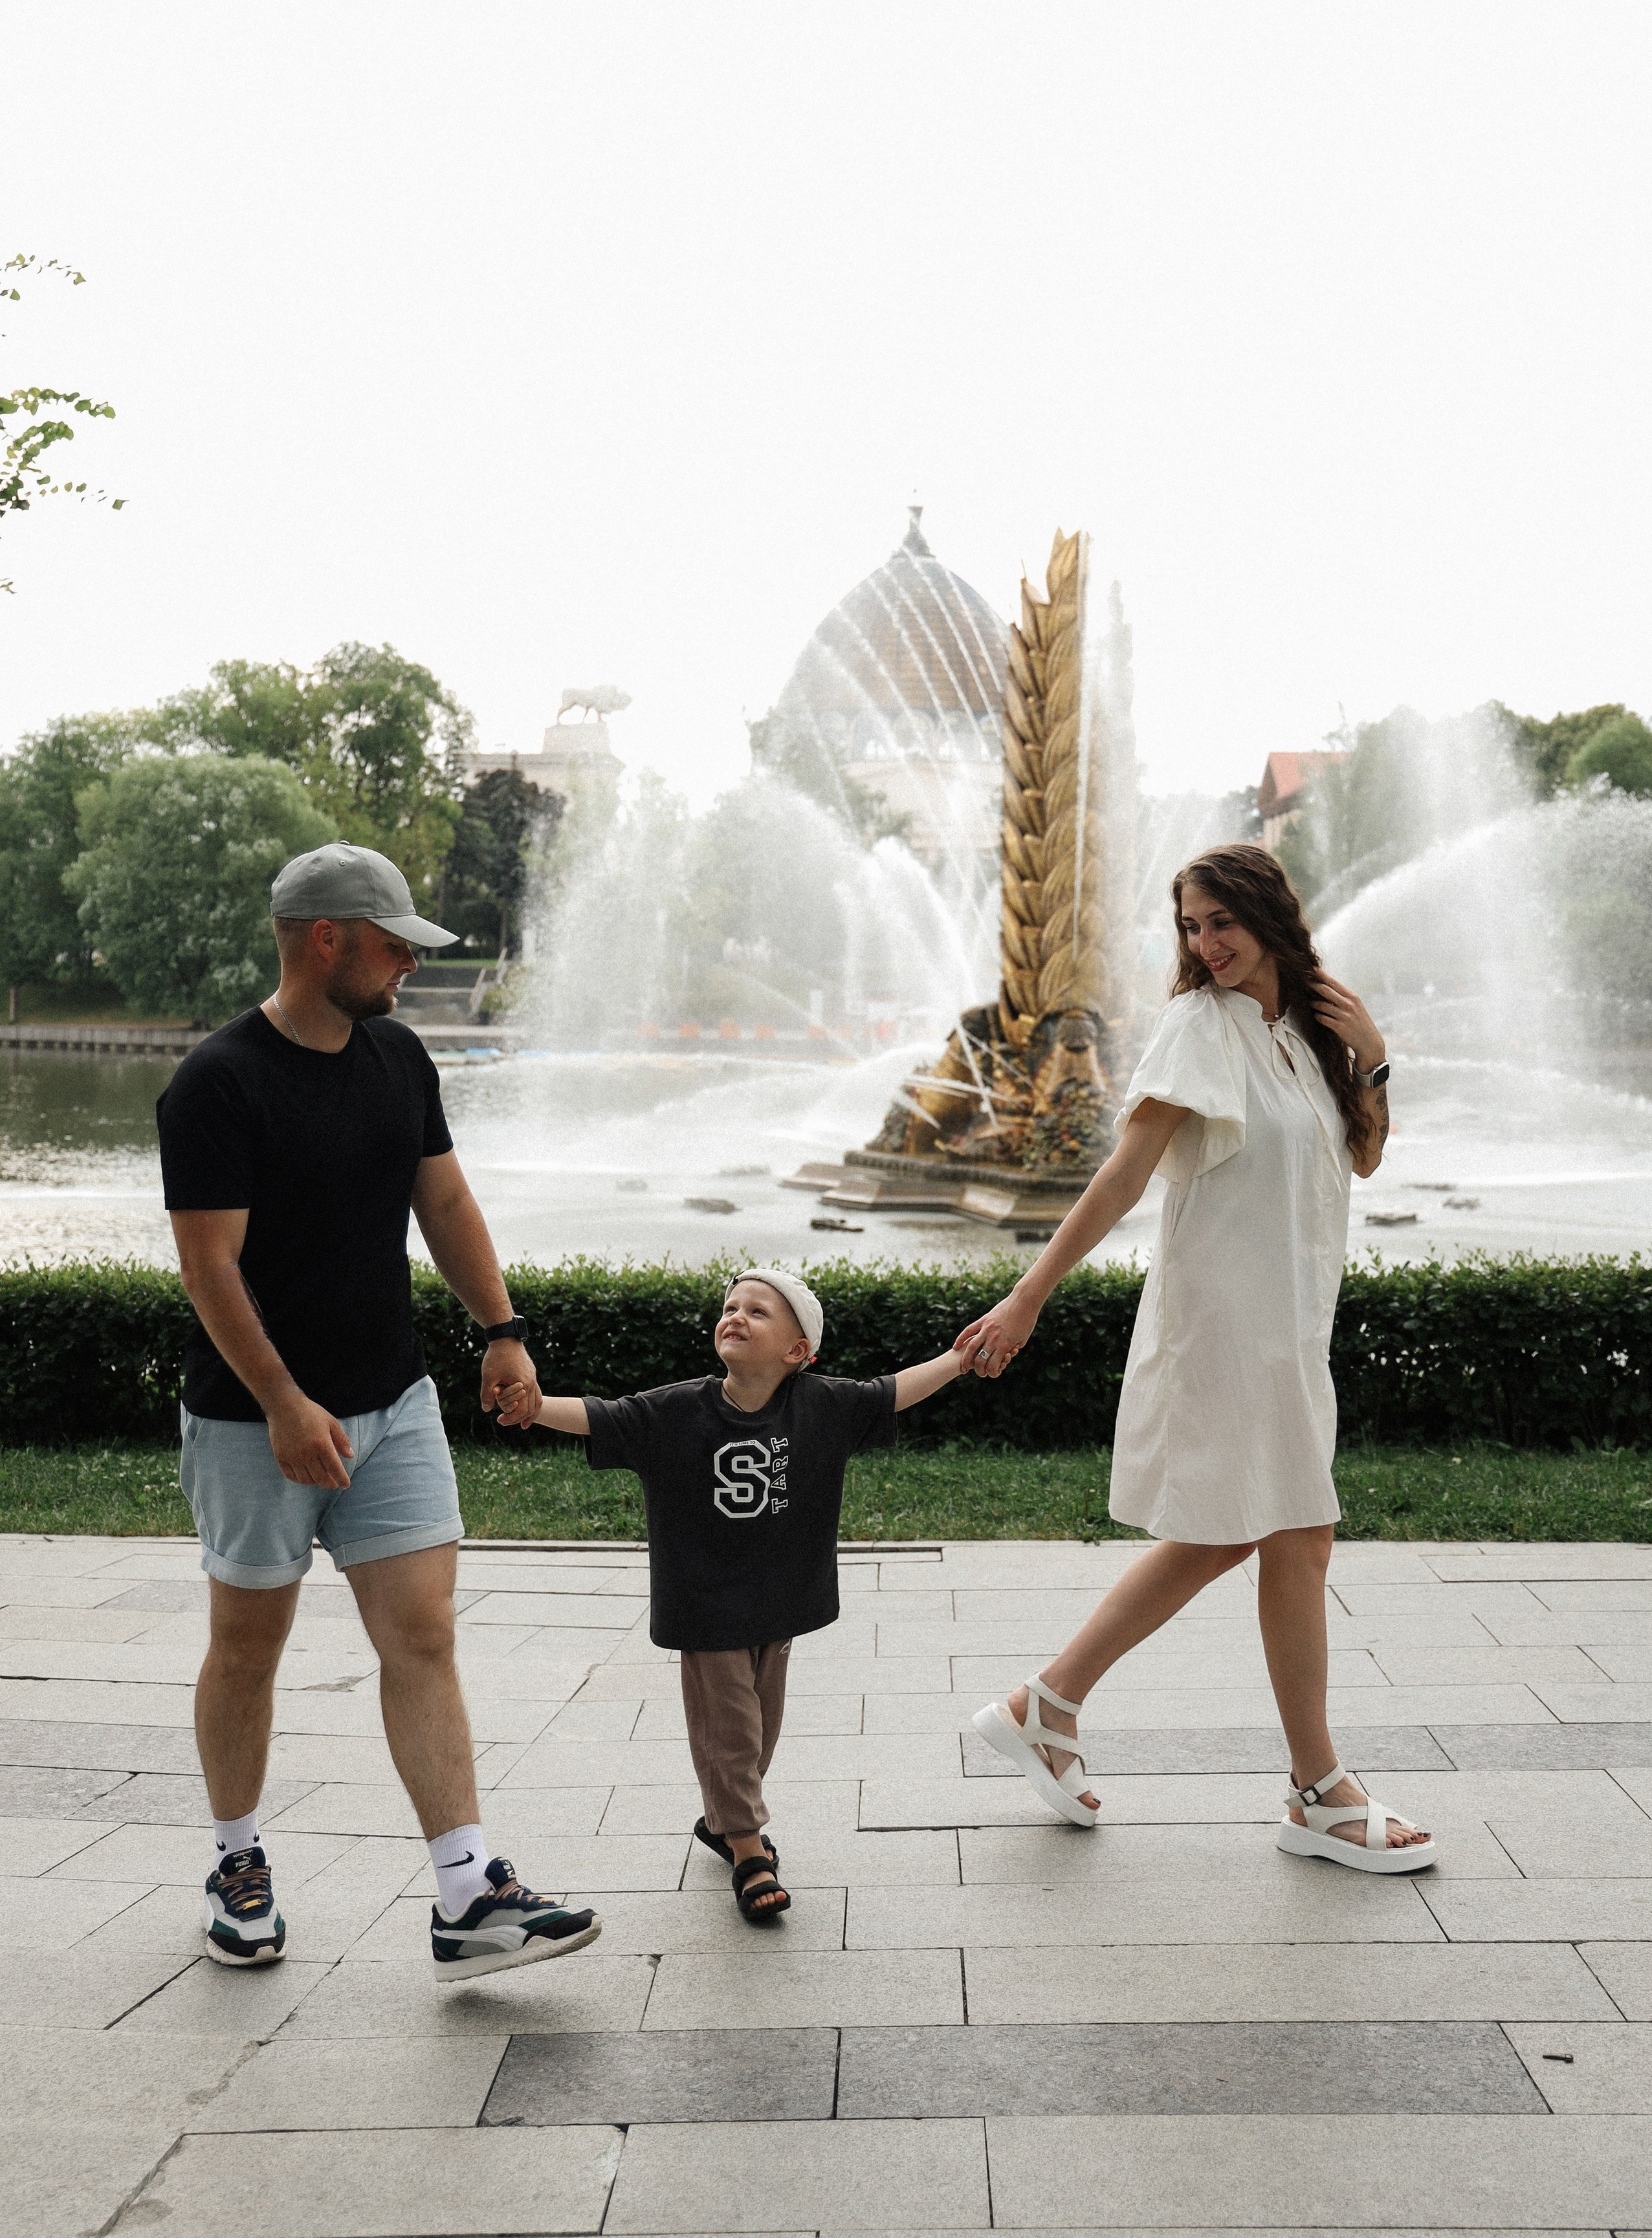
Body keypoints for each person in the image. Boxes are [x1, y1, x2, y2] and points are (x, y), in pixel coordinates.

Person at [158, 839, 603, 1977]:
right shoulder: (217, 1082)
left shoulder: (399, 1059)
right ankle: (236, 1857)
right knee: (247, 1647)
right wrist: (284, 1404)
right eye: (395, 943)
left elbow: (443, 1198)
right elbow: (211, 1268)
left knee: (423, 1633)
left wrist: (501, 1332)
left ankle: (468, 1893)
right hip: (253, 1421)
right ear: (329, 939)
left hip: (396, 1405)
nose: (408, 964)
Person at [956, 843, 1436, 1874]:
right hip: (1223, 1326)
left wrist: (1376, 1060)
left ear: (1268, 917)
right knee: (1287, 1535)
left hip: (1291, 1330)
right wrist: (1027, 1297)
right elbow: (1123, 1177)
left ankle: (1042, 1706)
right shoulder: (1196, 1029)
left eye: (1220, 921)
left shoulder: (1305, 1030)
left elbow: (1361, 1153)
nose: (1205, 944)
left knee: (1251, 1535)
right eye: (1189, 925)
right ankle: (1316, 1789)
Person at [497, 1266, 964, 1920]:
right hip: (705, 1602)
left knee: (761, 1731)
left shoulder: (821, 1405)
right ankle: (749, 1851)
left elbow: (890, 1394)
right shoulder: (677, 1410)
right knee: (732, 1732)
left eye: (758, 1312)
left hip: (779, 1600)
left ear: (798, 1352)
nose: (736, 1316)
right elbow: (606, 1417)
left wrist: (958, 1358)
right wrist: (536, 1408)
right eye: (730, 1306)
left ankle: (723, 1821)